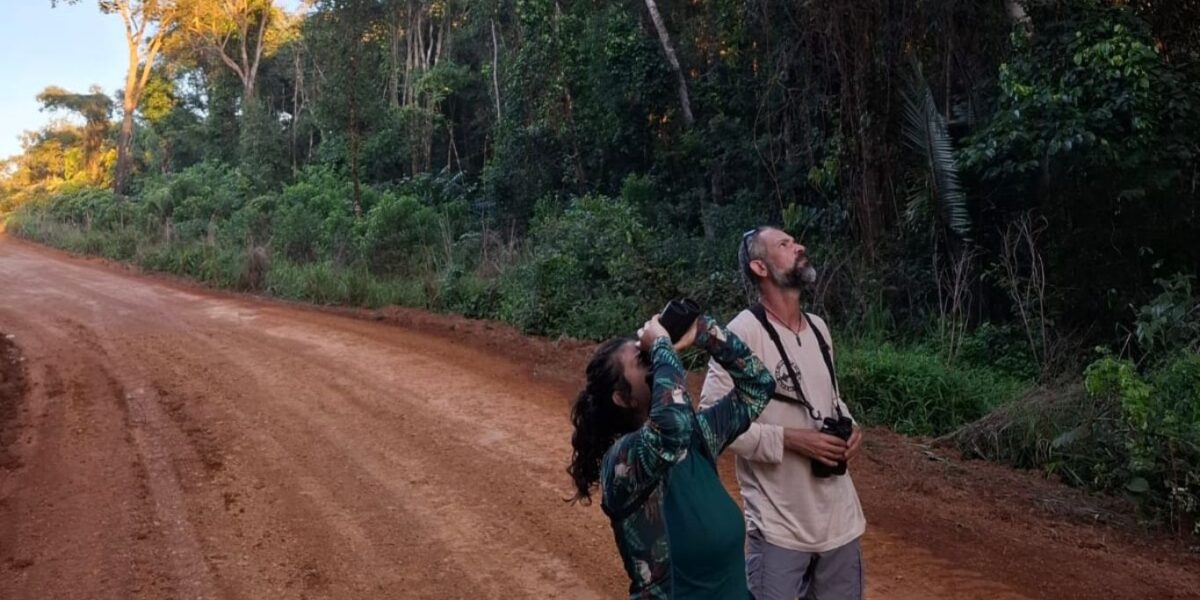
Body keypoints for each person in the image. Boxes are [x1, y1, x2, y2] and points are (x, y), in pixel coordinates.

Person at [700, 226, 866, 600]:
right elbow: (711, 423)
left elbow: (831, 400)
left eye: (795, 242)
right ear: (760, 267)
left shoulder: (819, 328)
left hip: (839, 522)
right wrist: (791, 441)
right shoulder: (741, 333)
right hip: (779, 527)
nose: (799, 246)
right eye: (785, 244)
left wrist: (852, 427)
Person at [568, 312, 775, 599]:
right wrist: (663, 346)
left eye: (649, 352)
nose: (654, 361)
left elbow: (759, 385)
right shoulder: (622, 460)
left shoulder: (696, 437)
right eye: (644, 360)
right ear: (623, 398)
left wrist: (705, 333)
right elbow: (671, 429)